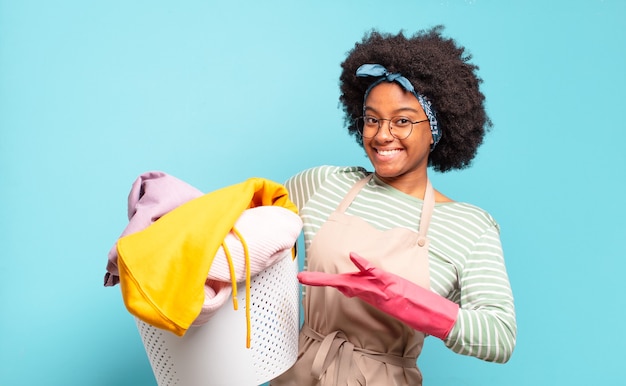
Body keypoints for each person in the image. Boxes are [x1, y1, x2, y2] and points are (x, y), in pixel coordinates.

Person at [271, 25, 517, 386]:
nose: (382, 135)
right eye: (372, 119)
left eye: (402, 121)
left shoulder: (469, 227)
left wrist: (407, 301)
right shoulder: (323, 184)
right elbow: (247, 241)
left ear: (436, 128)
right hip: (298, 373)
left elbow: (500, 337)